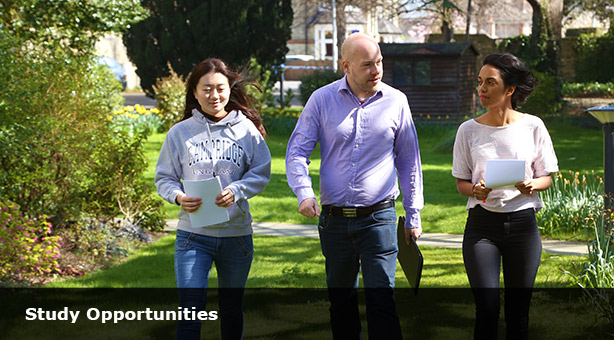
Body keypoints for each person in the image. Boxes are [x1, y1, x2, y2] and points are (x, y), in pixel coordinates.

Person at [285, 32, 423, 340]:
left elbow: (409, 160)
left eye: (379, 63)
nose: (376, 71)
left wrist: (413, 214)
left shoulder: (396, 101)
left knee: (381, 302)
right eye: (367, 65)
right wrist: (304, 192)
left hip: (380, 218)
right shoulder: (321, 100)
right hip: (334, 221)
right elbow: (297, 152)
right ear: (346, 66)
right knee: (341, 304)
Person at [155, 58, 271, 339]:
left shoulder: (247, 131)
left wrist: (238, 190)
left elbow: (261, 172)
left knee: (231, 310)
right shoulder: (179, 133)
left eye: (220, 88)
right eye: (206, 89)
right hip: (193, 236)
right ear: (194, 92)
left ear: (229, 89)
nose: (214, 95)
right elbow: (164, 178)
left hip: (236, 236)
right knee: (190, 312)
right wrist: (179, 196)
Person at [452, 53, 558, 340]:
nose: (482, 90)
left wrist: (532, 185)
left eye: (490, 83)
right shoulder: (468, 131)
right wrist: (474, 190)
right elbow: (461, 182)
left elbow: (546, 177)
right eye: (480, 82)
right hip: (481, 228)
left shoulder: (533, 126)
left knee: (518, 315)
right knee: (486, 310)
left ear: (509, 89)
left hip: (523, 227)